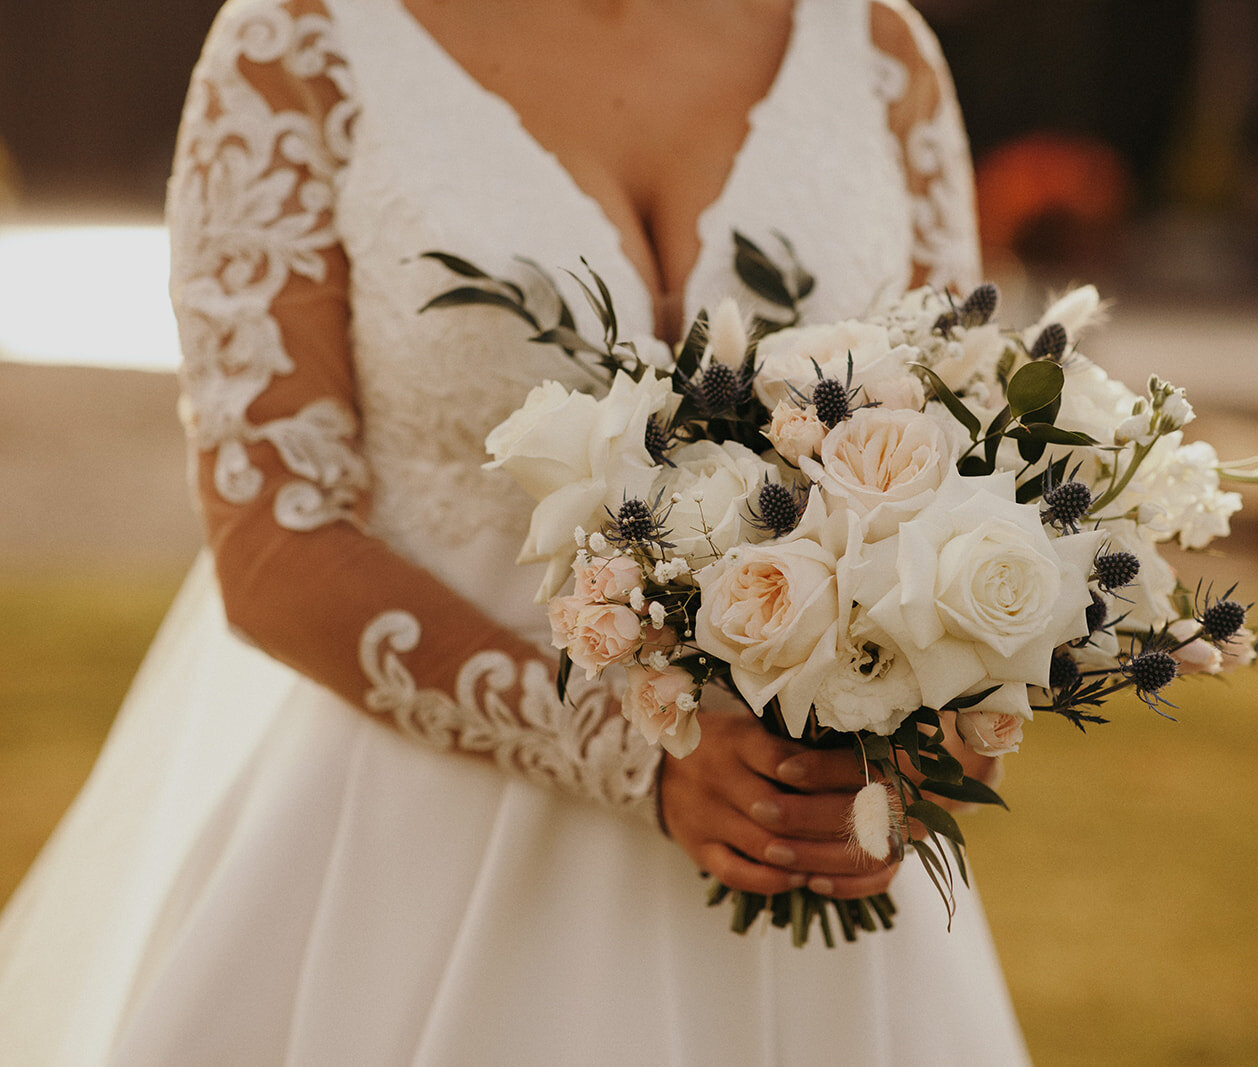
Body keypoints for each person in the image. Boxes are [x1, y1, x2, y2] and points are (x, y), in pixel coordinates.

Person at [0, 0, 1029, 1062]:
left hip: (817, 844)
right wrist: (637, 754)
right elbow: (271, 543)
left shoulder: (872, 46)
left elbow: (965, 448)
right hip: (414, 850)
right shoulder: (298, 45)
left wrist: (940, 738)